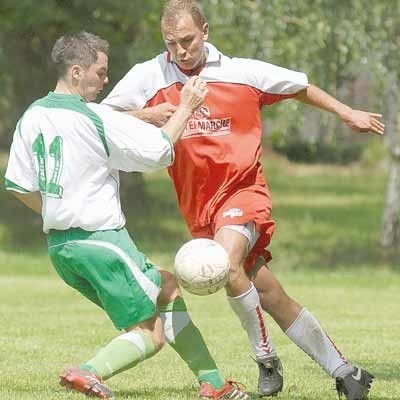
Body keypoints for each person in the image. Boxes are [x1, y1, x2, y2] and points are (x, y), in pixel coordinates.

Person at [102, 1, 386, 399]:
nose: (181, 51)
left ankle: (265, 359)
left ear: (205, 31)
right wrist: (150, 115)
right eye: (172, 44)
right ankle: (346, 372)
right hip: (198, 208)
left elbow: (299, 86)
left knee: (227, 262)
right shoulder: (148, 76)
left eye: (188, 40)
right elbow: (101, 116)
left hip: (243, 191)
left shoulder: (241, 71)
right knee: (268, 294)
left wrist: (346, 112)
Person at [4, 31, 250, 400]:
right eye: (100, 73)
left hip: (62, 249)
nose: (106, 81)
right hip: (103, 242)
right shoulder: (95, 117)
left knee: (166, 285)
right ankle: (87, 372)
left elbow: (18, 187)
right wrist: (187, 106)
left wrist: (58, 212)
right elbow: (158, 150)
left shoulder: (32, 116)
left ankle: (213, 383)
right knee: (149, 334)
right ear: (76, 72)